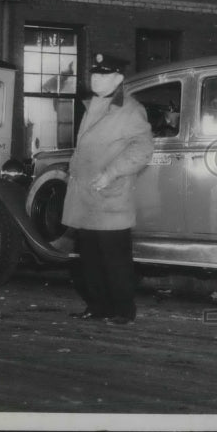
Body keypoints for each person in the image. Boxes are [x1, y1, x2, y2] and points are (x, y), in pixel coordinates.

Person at [62, 53, 154, 325]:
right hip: (86, 195)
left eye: (103, 74)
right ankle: (98, 306)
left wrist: (111, 173)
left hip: (110, 195)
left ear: (118, 79)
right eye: (94, 73)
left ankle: (123, 311)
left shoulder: (130, 109)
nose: (95, 78)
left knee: (114, 260)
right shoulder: (91, 105)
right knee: (89, 260)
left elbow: (143, 149)